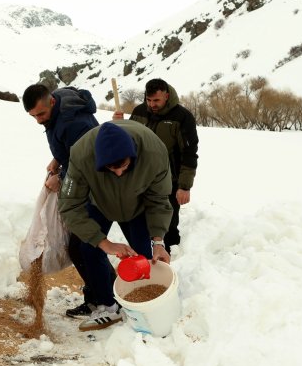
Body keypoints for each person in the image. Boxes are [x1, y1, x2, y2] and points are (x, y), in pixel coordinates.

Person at [58, 120, 172, 331]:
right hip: (99, 201)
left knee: (144, 258)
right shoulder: (82, 155)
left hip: (138, 205)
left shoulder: (154, 153)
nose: (119, 173)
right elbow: (69, 206)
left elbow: (159, 200)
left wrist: (159, 240)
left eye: (124, 166)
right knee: (88, 248)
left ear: (133, 155)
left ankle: (144, 306)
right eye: (111, 168)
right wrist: (103, 242)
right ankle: (108, 306)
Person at [22, 83, 107, 319]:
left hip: (95, 186)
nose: (38, 120)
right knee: (82, 247)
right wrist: (57, 159)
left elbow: (86, 160)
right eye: (33, 116)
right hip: (83, 182)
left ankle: (107, 301)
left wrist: (60, 177)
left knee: (85, 246)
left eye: (41, 114)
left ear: (51, 101)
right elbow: (71, 150)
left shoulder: (73, 122)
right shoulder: (60, 107)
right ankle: (100, 296)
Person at [113, 78, 198, 253]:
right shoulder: (139, 111)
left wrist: (185, 186)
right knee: (141, 218)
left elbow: (189, 154)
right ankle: (145, 252)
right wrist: (118, 124)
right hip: (139, 176)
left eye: (156, 100)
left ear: (166, 96)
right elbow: (127, 139)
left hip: (168, 179)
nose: (152, 105)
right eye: (149, 100)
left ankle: (172, 252)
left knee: (168, 220)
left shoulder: (182, 117)